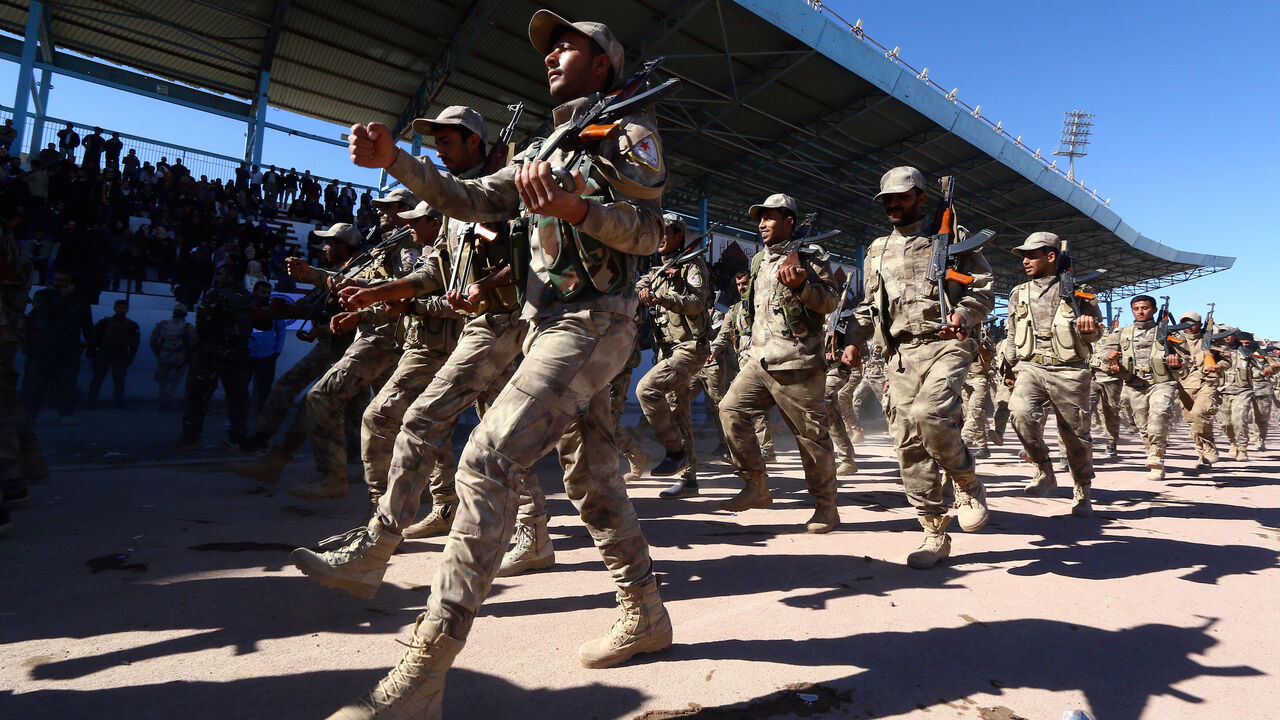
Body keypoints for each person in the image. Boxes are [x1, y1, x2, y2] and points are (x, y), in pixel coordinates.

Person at [309, 13, 671, 718]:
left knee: (486, 459)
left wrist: (578, 208)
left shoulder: (630, 135)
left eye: (569, 44)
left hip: (594, 321)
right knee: (593, 481)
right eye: (550, 46)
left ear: (604, 65)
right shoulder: (547, 144)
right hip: (544, 324)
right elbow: (472, 198)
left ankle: (425, 668)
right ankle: (646, 613)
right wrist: (398, 163)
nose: (552, 54)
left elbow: (650, 232)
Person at [844, 166, 994, 569]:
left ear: (921, 197)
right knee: (908, 443)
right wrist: (853, 342)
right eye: (887, 199)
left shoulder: (952, 238)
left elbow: (982, 288)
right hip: (900, 354)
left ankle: (965, 481)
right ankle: (933, 532)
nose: (893, 204)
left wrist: (963, 312)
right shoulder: (877, 250)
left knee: (931, 413)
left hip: (948, 344)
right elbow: (867, 306)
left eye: (901, 197)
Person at [717, 193, 840, 532]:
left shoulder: (812, 257)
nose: (762, 224)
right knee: (730, 410)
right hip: (759, 360)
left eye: (770, 217)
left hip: (798, 362)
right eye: (760, 218)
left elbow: (829, 303)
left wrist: (803, 286)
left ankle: (826, 507)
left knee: (811, 437)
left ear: (789, 221)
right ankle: (756, 484)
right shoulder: (758, 262)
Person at [1003, 232, 1102, 516]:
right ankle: (1044, 469)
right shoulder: (1018, 293)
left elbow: (1096, 333)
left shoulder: (1080, 291)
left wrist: (1089, 328)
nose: (1025, 260)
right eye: (1024, 255)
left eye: (1032, 255)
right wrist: (1009, 365)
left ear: (1051, 256)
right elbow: (1012, 332)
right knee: (1020, 413)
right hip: (1031, 366)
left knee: (1074, 435)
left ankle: (1082, 488)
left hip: (1069, 369)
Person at [636, 213, 712, 498]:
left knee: (646, 389)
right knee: (679, 413)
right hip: (666, 350)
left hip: (691, 346)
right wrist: (645, 289)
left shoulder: (692, 265)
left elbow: (696, 303)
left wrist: (662, 298)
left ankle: (674, 451)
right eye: (658, 232)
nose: (661, 237)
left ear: (679, 235)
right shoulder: (657, 271)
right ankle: (689, 480)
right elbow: (637, 286)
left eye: (667, 231)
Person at [172, 262, 265, 450]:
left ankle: (190, 439)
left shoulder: (215, 294)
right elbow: (263, 324)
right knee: (238, 399)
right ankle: (238, 439)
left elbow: (204, 324)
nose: (217, 278)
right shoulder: (249, 298)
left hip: (212, 351)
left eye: (221, 274)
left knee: (198, 396)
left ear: (231, 276)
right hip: (239, 352)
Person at [1102, 296, 1184, 480]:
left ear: (1154, 310)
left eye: (1145, 308)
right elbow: (1099, 356)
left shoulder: (1168, 333)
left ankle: (1156, 455)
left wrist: (1177, 363)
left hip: (1162, 382)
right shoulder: (1122, 333)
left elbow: (1188, 359)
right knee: (1143, 425)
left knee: (1159, 413)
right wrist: (1109, 359)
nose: (1140, 311)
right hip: (1134, 383)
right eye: (1136, 308)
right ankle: (1153, 454)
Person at [22, 271, 92, 424]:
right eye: (56, 280)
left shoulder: (80, 301)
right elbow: (42, 314)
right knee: (38, 381)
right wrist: (63, 298)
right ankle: (30, 413)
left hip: (69, 345)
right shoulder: (43, 295)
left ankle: (66, 413)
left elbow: (86, 323)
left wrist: (90, 342)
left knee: (67, 381)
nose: (58, 283)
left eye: (63, 281)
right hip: (46, 344)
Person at [1173, 311, 1228, 469]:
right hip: (1185, 384)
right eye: (1185, 324)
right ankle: (1202, 454)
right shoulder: (1176, 341)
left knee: (1200, 413)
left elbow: (1227, 360)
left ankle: (1209, 447)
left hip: (1208, 382)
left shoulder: (1212, 339)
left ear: (1200, 324)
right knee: (1193, 422)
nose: (1189, 327)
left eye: (1192, 323)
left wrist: (1218, 366)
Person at [87, 299, 140, 408]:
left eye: (123, 307)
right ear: (114, 308)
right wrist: (91, 351)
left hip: (120, 353)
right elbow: (94, 338)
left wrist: (131, 357)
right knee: (97, 378)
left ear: (127, 309)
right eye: (119, 307)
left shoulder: (132, 325)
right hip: (103, 352)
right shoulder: (104, 323)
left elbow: (135, 343)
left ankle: (119, 403)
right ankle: (91, 402)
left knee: (119, 379)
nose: (121, 310)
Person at [247, 281, 288, 413]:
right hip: (247, 354)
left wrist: (277, 351)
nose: (266, 295)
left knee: (265, 387)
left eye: (268, 293)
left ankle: (263, 414)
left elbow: (281, 331)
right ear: (255, 292)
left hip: (268, 355)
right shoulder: (247, 307)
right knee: (241, 385)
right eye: (263, 292)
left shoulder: (274, 310)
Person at [150, 303, 196, 411]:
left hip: (163, 354)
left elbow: (153, 340)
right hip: (179, 356)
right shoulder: (187, 327)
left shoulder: (163, 324)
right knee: (174, 379)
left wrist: (157, 352)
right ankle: (167, 399)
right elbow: (194, 342)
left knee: (162, 378)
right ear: (185, 314)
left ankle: (163, 401)